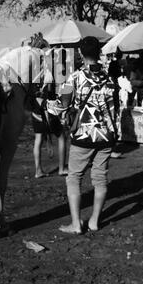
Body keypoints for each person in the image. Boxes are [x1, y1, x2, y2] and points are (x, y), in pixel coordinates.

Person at [59, 36, 117, 234]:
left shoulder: (74, 77)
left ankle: (76, 224)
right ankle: (94, 221)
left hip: (83, 136)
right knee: (100, 179)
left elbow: (63, 104)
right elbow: (114, 107)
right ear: (99, 52)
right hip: (107, 135)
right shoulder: (110, 78)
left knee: (74, 177)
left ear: (81, 54)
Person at [32, 57, 67, 179]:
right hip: (48, 109)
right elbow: (48, 95)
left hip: (36, 110)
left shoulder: (34, 74)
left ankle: (38, 170)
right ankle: (62, 168)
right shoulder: (49, 75)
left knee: (38, 138)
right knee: (61, 136)